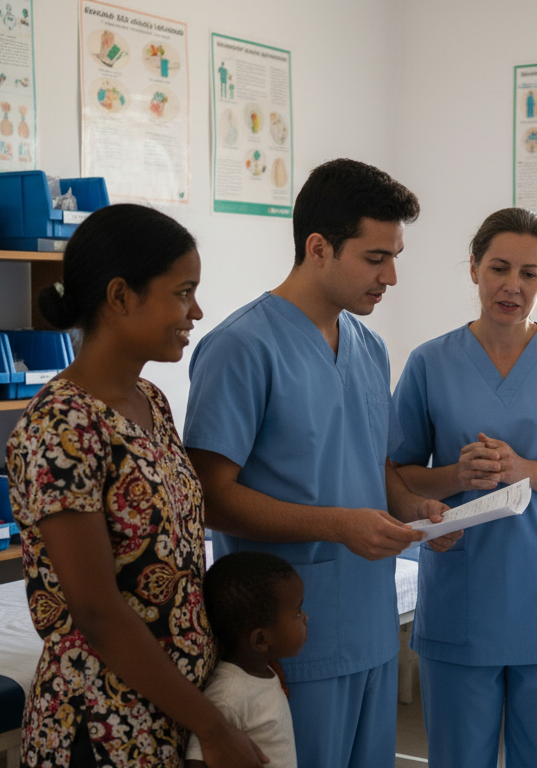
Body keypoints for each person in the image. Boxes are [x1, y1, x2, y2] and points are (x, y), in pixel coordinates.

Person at [184, 158, 456, 768]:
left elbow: (373, 462)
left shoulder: (368, 346)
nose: (391, 276)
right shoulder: (240, 348)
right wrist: (338, 525)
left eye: (396, 256)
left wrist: (415, 508)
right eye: (375, 257)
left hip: (369, 626)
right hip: (284, 640)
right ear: (318, 248)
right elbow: (210, 497)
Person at [6, 204, 265, 768]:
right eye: (182, 292)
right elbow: (97, 610)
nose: (196, 311)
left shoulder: (149, 401)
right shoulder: (62, 427)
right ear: (121, 296)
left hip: (169, 709)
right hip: (101, 724)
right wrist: (212, 726)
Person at [391, 207, 537, 768]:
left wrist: (523, 468)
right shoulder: (430, 363)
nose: (512, 286)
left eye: (529, 273)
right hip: (462, 597)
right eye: (498, 268)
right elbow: (395, 475)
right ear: (473, 268)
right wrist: (455, 477)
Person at [186, 552, 308, 768]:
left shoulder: (267, 670)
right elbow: (197, 759)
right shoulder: (227, 693)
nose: (305, 617)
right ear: (261, 640)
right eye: (297, 613)